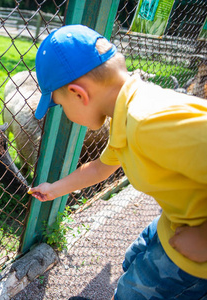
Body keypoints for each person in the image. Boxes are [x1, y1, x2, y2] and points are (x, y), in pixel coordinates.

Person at [28, 24, 207, 299]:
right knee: (133, 258)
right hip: (174, 223)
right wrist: (56, 188)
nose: (65, 113)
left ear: (79, 94)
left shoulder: (147, 121)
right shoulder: (126, 115)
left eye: (62, 106)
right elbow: (102, 166)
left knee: (130, 292)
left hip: (195, 254)